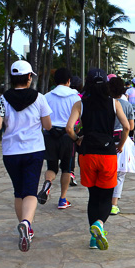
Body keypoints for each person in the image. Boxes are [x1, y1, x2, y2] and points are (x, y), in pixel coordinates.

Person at [65, 68, 131, 250]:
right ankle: (100, 225)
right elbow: (126, 127)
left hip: (87, 154)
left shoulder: (80, 104)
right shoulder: (114, 103)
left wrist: (77, 139)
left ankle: (94, 239)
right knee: (107, 196)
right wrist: (120, 145)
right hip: (107, 153)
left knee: (93, 196)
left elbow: (69, 128)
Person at [0, 60, 52, 252]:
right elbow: (48, 125)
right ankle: (26, 222)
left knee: (19, 191)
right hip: (33, 150)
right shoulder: (39, 98)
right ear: (28, 77)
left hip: (11, 152)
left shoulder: (2, 99)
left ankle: (26, 228)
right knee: (30, 192)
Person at [41, 67, 81, 210]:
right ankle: (62, 199)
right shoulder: (75, 97)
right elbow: (79, 120)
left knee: (51, 167)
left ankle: (47, 183)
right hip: (67, 136)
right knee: (66, 168)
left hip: (50, 134)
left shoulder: (46, 97)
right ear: (69, 81)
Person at [108, 77, 135, 215]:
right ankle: (114, 204)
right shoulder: (127, 105)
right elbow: (130, 127)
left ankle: (105, 201)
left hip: (106, 140)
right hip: (122, 142)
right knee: (120, 175)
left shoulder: (105, 103)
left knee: (107, 172)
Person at [68, 76, 84, 186]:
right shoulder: (81, 97)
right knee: (81, 152)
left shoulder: (66, 95)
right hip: (80, 127)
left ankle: (71, 172)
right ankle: (83, 172)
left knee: (71, 152)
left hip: (68, 127)